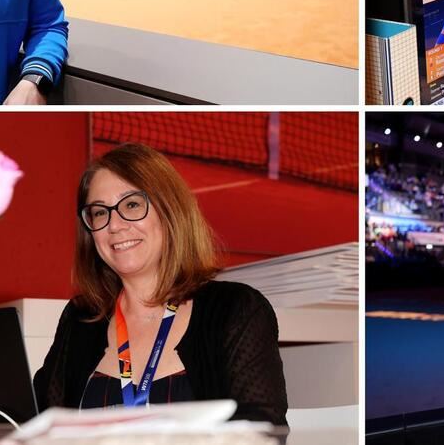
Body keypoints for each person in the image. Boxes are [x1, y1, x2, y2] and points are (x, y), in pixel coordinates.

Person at [33, 143, 287, 423]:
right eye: (100, 212)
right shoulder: (80, 318)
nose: (114, 225)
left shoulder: (236, 311)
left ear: (169, 211)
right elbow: (36, 420)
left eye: (132, 205)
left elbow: (263, 433)